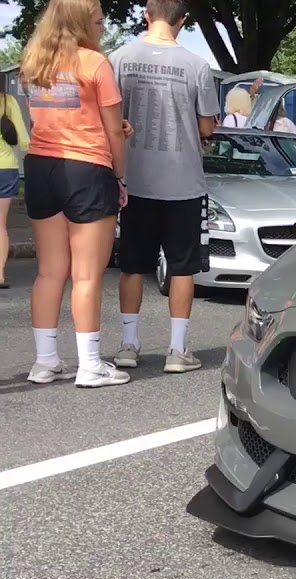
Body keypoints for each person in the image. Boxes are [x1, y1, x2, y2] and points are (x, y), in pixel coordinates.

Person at [20, 0, 130, 387]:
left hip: (40, 165)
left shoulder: (33, 61)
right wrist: (120, 177)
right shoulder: (95, 63)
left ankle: (45, 362)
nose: (102, 27)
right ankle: (90, 365)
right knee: (86, 276)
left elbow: (53, 116)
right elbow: (113, 129)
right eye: (98, 21)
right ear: (81, 23)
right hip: (87, 168)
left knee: (49, 272)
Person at [110, 0, 219, 373]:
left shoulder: (118, 59)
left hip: (133, 178)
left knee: (131, 266)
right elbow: (206, 126)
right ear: (183, 21)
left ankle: (128, 345)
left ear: (146, 15)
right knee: (183, 267)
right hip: (183, 181)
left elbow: (108, 114)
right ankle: (176, 349)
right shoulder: (197, 65)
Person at [0, 84, 30, 289]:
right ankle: (0, 275)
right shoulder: (7, 101)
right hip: (6, 168)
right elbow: (25, 141)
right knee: (0, 225)